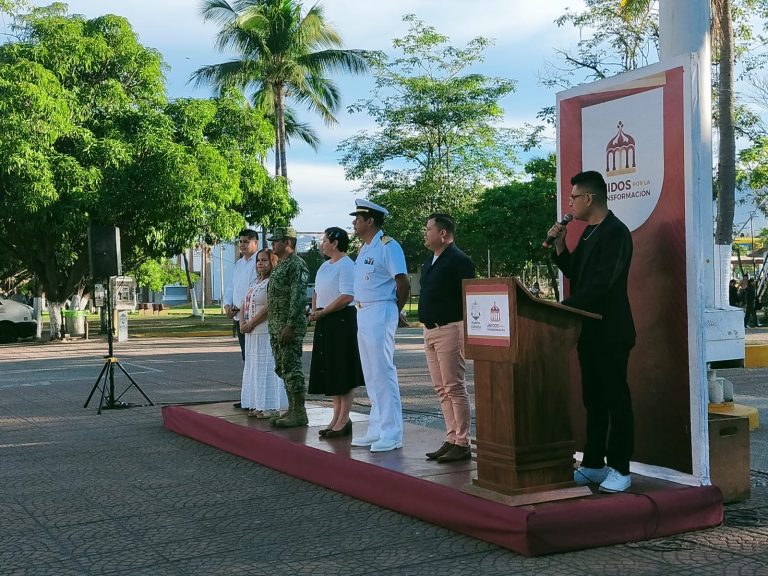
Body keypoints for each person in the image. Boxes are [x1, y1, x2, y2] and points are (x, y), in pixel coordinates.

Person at [546, 170, 636, 494]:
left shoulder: (616, 233)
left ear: (589, 198)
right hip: (589, 332)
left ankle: (621, 468)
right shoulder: (586, 233)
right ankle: (594, 464)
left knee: (615, 399)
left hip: (611, 331)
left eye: (573, 197)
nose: (569, 204)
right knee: (593, 400)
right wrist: (559, 244)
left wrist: (562, 308)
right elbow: (575, 273)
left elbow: (600, 285)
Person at [349, 199, 410, 452]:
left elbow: (403, 282)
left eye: (358, 218)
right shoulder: (364, 248)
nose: (354, 222)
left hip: (381, 309)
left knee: (383, 373)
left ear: (370, 221)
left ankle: (392, 433)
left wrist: (395, 311)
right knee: (372, 374)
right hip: (363, 311)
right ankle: (377, 429)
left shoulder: (388, 246)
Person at [419, 214, 476, 463]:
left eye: (429, 228)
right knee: (441, 388)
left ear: (443, 233)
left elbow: (468, 296)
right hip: (429, 330)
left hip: (450, 329)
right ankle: (452, 437)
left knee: (454, 386)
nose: (425, 232)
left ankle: (463, 442)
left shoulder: (459, 261)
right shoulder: (430, 261)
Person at [308, 227, 365, 438]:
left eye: (325, 240)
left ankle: (344, 418)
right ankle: (336, 417)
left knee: (343, 369)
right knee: (331, 369)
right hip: (325, 319)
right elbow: (316, 291)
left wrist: (323, 313)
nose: (322, 244)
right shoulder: (324, 266)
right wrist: (315, 311)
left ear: (335, 242)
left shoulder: (347, 265)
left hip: (341, 320)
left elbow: (347, 296)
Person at [267, 227, 310, 428]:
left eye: (276, 241)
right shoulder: (280, 265)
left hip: (288, 326)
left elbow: (298, 296)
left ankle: (299, 412)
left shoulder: (296, 264)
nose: (272, 244)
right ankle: (291, 409)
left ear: (288, 242)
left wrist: (290, 325)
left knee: (292, 369)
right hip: (276, 326)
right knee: (283, 368)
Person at [240, 248, 287, 418]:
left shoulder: (272, 282)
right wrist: (243, 322)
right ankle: (257, 404)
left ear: (272, 261)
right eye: (258, 260)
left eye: (264, 260)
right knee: (254, 368)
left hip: (264, 331)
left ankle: (270, 406)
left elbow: (270, 306)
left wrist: (251, 323)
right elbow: (244, 303)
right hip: (251, 333)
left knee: (267, 367)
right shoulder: (255, 282)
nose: (260, 263)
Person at [224, 229, 259, 363]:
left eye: (246, 242)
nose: (242, 245)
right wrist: (227, 305)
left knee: (255, 356)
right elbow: (231, 286)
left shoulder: (260, 261)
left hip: (254, 316)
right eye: (240, 242)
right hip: (239, 316)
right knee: (246, 355)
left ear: (255, 242)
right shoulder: (239, 263)